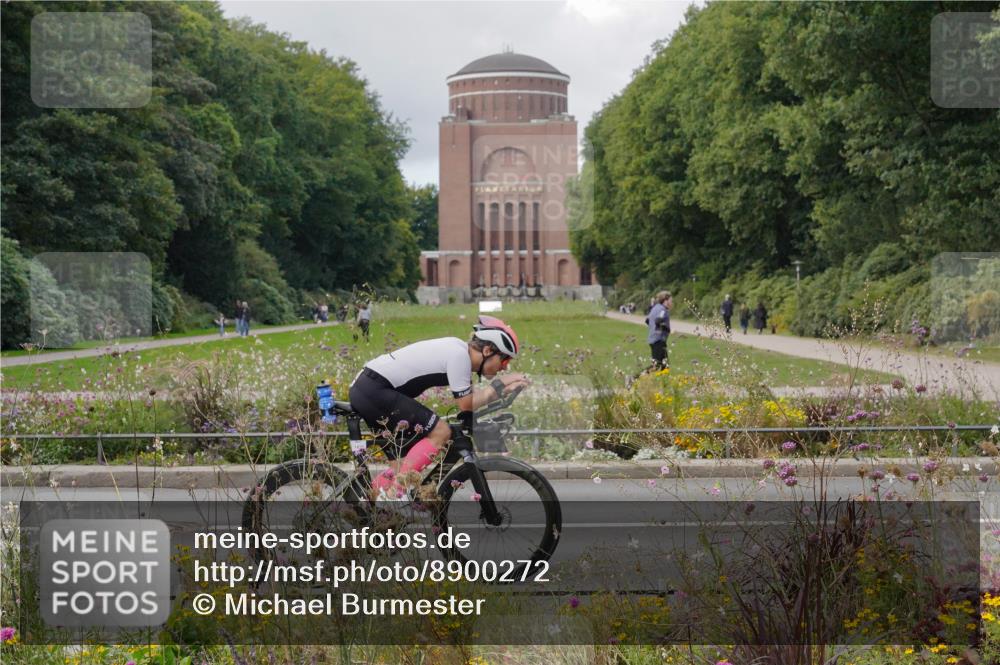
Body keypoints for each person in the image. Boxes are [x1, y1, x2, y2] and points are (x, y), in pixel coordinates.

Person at [348, 315, 528, 501]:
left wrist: (500, 389)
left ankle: (366, 507)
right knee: (441, 431)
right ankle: (397, 496)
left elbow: (472, 400)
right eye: (505, 361)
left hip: (369, 387)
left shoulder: (458, 352)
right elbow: (466, 404)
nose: (505, 368)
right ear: (488, 350)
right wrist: (499, 384)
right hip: (375, 388)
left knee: (402, 467)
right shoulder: (459, 356)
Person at [646, 291, 672, 371]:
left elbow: (647, 320)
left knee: (665, 365)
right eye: (671, 301)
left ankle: (664, 382)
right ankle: (633, 378)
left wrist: (652, 328)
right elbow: (658, 321)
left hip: (654, 339)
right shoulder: (662, 310)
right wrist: (667, 329)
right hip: (658, 340)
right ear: (665, 301)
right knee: (656, 365)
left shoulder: (655, 307)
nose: (671, 303)